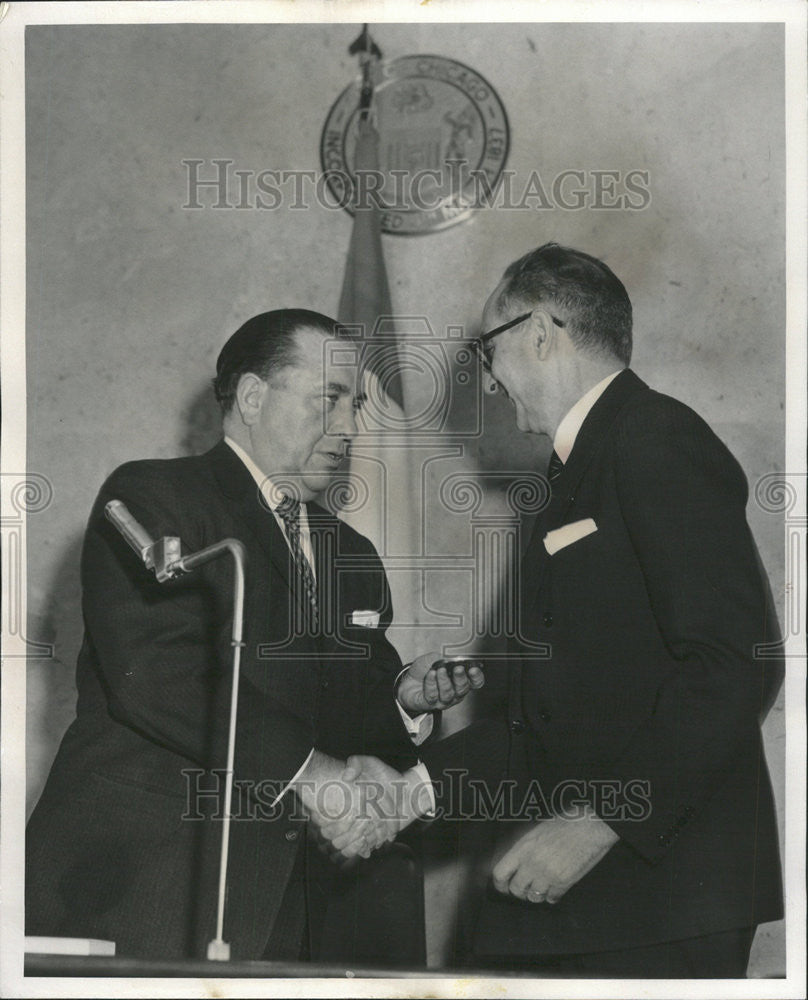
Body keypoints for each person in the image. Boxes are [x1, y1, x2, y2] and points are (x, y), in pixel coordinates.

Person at [342, 244, 784, 977]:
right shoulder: (575, 471)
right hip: (586, 907)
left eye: (489, 351)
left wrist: (600, 821)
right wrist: (409, 791)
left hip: (654, 902)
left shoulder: (654, 439)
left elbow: (732, 664)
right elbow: (543, 725)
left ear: (540, 335)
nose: (485, 380)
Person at [25, 308, 480, 963]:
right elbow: (158, 677)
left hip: (275, 908)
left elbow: (343, 716)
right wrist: (314, 775)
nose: (350, 428)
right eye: (329, 400)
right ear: (251, 397)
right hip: (137, 887)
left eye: (353, 405)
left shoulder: (349, 550)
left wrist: (404, 699)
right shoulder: (153, 497)